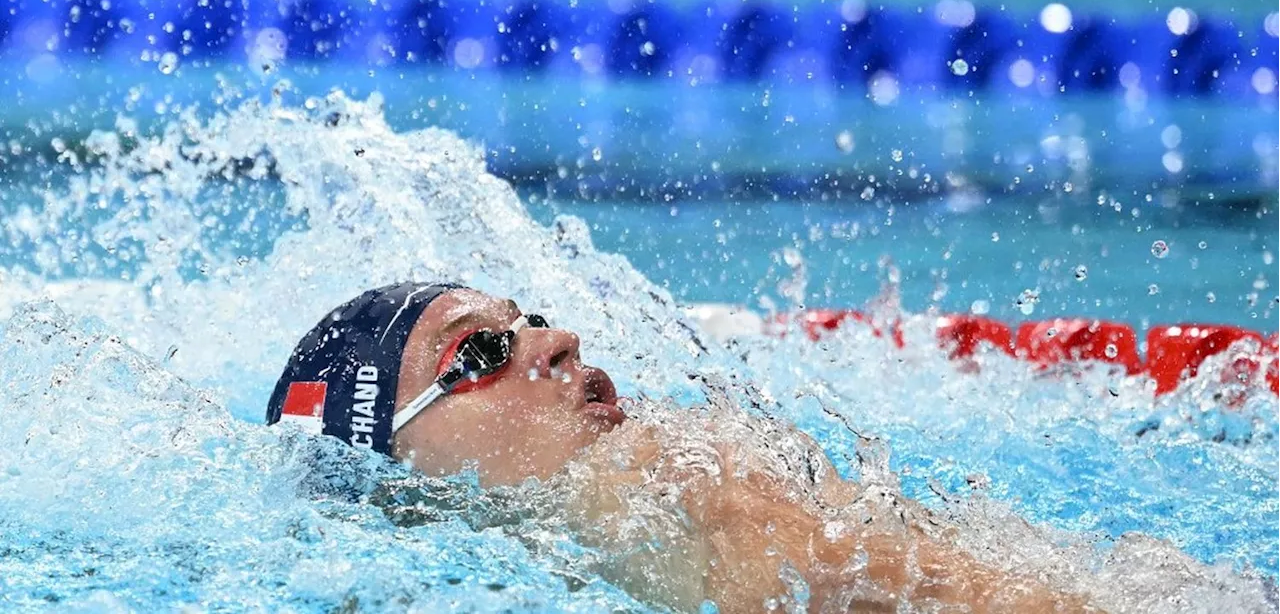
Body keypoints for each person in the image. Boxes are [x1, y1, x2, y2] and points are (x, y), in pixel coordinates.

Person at [267, 282, 1098, 613]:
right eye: (479, 352)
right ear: (391, 464)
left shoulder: (667, 470)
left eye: (529, 319)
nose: (555, 338)